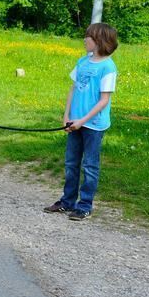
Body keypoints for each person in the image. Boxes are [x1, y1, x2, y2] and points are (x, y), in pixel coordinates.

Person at [43, 23, 119, 221]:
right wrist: (67, 116)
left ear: (100, 41)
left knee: (90, 166)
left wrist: (83, 120)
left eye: (89, 37)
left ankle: (84, 205)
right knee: (71, 163)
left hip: (93, 125)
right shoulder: (82, 62)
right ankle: (67, 202)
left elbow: (104, 100)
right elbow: (73, 89)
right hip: (74, 122)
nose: (85, 40)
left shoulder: (108, 67)